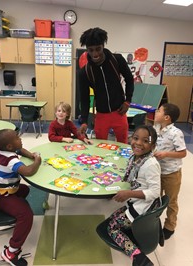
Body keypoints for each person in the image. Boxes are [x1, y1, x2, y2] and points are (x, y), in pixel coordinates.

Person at [107, 125, 160, 266]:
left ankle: (138, 258)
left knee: (111, 228)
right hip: (134, 202)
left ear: (153, 146)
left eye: (145, 141)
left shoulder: (151, 164)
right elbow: (131, 176)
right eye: (136, 138)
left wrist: (128, 193)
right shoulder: (136, 157)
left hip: (143, 207)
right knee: (112, 218)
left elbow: (155, 192)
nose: (138, 143)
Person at [0, 129, 41, 266]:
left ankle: (14, 213)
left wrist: (31, 155)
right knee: (26, 215)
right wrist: (37, 160)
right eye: (17, 137)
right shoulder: (10, 160)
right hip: (1, 196)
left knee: (24, 189)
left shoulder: (1, 151)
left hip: (2, 190)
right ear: (9, 146)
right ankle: (11, 252)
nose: (20, 138)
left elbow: (20, 150)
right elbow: (29, 171)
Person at [78, 27, 134, 144]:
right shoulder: (85, 72)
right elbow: (84, 98)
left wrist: (127, 101)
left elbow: (129, 79)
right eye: (91, 50)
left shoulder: (117, 60)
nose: (95, 54)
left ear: (103, 46)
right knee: (100, 147)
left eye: (98, 49)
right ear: (87, 49)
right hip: (101, 115)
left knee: (123, 145)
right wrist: (84, 121)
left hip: (120, 112)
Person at [154, 103, 186, 240]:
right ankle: (152, 222)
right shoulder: (156, 128)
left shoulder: (176, 133)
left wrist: (166, 154)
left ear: (166, 117)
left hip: (172, 173)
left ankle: (169, 226)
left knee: (171, 200)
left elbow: (183, 153)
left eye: (159, 110)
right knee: (156, 199)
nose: (156, 111)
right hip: (157, 171)